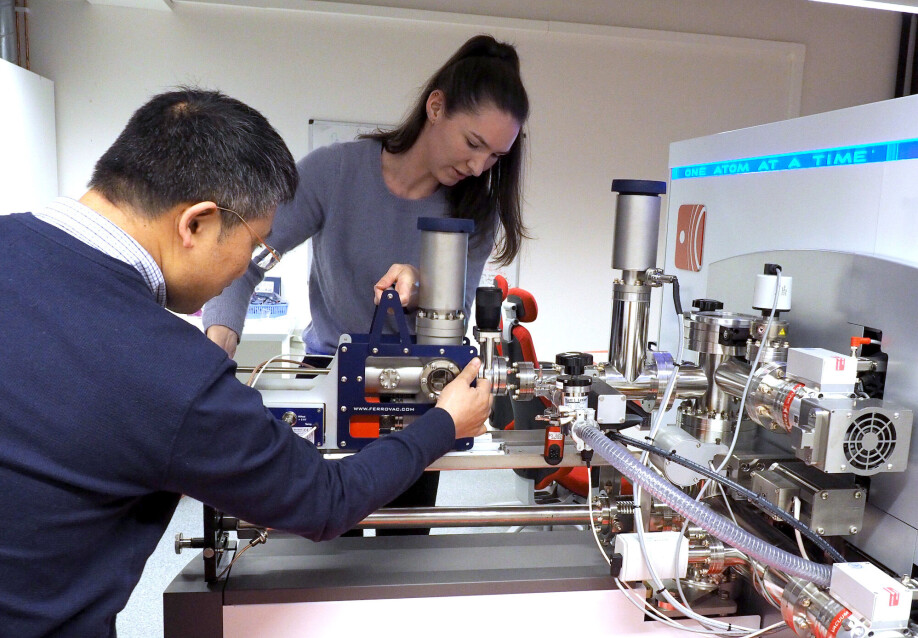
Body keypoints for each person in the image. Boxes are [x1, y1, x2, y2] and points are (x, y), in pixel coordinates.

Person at [0, 88, 492, 637]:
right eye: (257, 246)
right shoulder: (169, 372)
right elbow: (326, 501)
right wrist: (445, 422)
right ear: (197, 224)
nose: (246, 268)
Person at [202, 34, 529, 528]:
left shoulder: (474, 210)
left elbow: (455, 313)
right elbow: (241, 260)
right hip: (328, 378)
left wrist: (423, 285)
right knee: (314, 539)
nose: (478, 167)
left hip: (420, 398)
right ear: (435, 107)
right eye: (473, 144)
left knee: (399, 557)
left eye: (495, 157)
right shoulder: (335, 172)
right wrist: (218, 343)